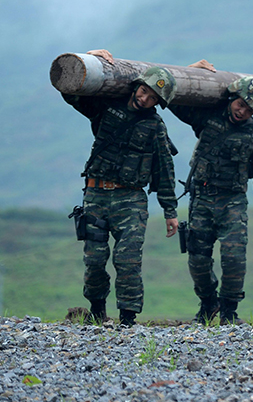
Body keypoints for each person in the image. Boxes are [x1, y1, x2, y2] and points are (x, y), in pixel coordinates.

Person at [62, 49, 179, 327]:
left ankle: (128, 317)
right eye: (144, 91)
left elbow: (164, 170)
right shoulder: (105, 106)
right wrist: (88, 58)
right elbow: (70, 92)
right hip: (96, 193)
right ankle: (97, 309)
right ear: (137, 85)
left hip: (131, 199)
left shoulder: (154, 126)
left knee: (127, 259)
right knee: (94, 259)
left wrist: (170, 211)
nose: (145, 99)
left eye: (153, 98)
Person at [169, 62, 253, 324]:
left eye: (250, 109)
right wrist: (190, 70)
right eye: (240, 104)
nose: (243, 111)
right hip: (202, 198)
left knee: (234, 258)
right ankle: (208, 304)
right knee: (197, 259)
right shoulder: (208, 116)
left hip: (233, 201)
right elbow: (172, 98)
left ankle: (230, 311)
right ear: (232, 97)